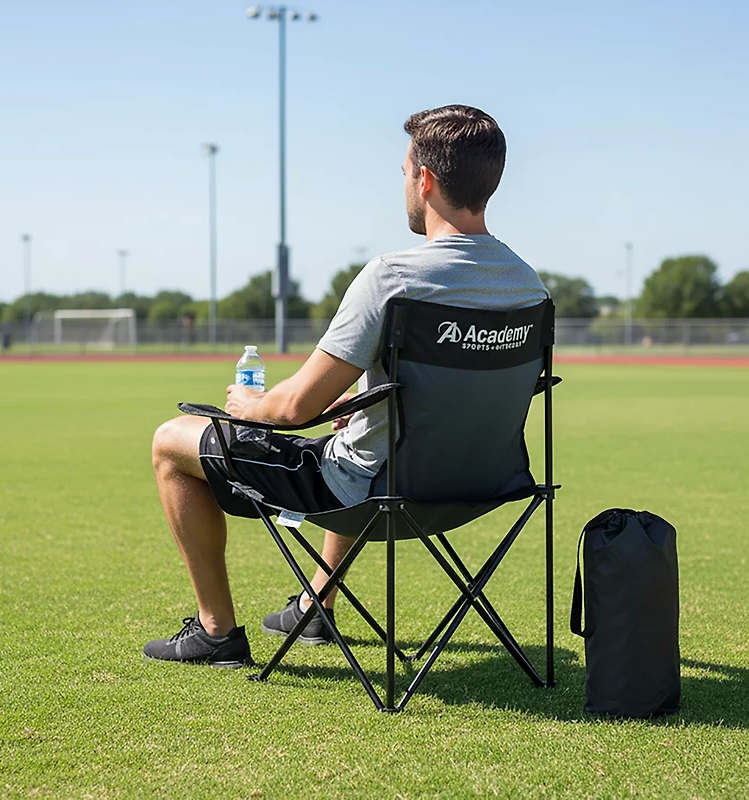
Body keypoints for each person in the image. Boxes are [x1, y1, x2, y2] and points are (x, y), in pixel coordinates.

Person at [144, 104, 549, 665]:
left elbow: (293, 408)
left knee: (171, 440)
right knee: (361, 432)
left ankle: (216, 633)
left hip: (379, 493)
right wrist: (360, 402)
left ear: (425, 179)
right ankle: (316, 605)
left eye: (406, 171)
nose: (404, 183)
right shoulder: (530, 289)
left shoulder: (394, 277)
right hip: (485, 487)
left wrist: (250, 404)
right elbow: (450, 392)